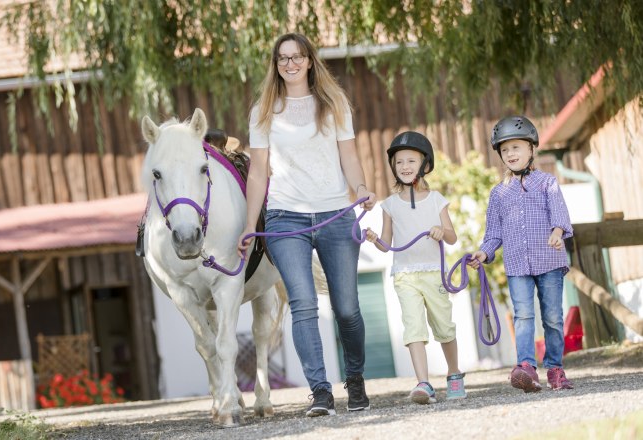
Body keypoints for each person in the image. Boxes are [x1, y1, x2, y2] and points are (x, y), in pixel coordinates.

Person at [237, 33, 376, 417]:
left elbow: (348, 155)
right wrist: (251, 224)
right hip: (285, 218)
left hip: (335, 214)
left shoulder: (333, 104)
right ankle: (320, 392)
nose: (290, 63)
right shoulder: (264, 110)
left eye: (297, 56)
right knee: (302, 303)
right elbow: (259, 173)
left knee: (347, 309)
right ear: (275, 65)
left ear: (310, 61)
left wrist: (360, 187)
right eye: (282, 58)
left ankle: (356, 379)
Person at [469, 115, 575, 392]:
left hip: (550, 261)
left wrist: (557, 231)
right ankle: (526, 368)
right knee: (523, 314)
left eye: (516, 147)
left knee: (552, 316)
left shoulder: (547, 182)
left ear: (531, 149)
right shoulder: (498, 194)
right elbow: (493, 233)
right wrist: (484, 252)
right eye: (505, 150)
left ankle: (555, 369)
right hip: (517, 265)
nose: (510, 154)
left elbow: (560, 215)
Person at [365, 131, 466, 404]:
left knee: (444, 325)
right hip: (405, 275)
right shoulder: (390, 205)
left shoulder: (436, 199)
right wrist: (375, 240)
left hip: (434, 272)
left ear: (424, 164)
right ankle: (423, 382)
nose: (405, 167)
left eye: (411, 161)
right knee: (413, 328)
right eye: (399, 162)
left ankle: (454, 373)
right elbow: (387, 244)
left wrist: (440, 230)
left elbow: (452, 236)